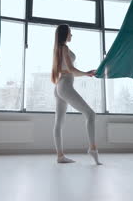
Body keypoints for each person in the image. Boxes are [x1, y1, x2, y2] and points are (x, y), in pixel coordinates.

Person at [51, 24, 102, 165]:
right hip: (65, 86)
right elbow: (72, 69)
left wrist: (86, 74)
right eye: (70, 33)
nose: (71, 35)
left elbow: (68, 71)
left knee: (59, 123)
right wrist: (86, 73)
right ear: (65, 34)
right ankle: (93, 148)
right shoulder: (64, 48)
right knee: (91, 114)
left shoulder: (57, 48)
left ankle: (60, 156)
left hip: (59, 86)